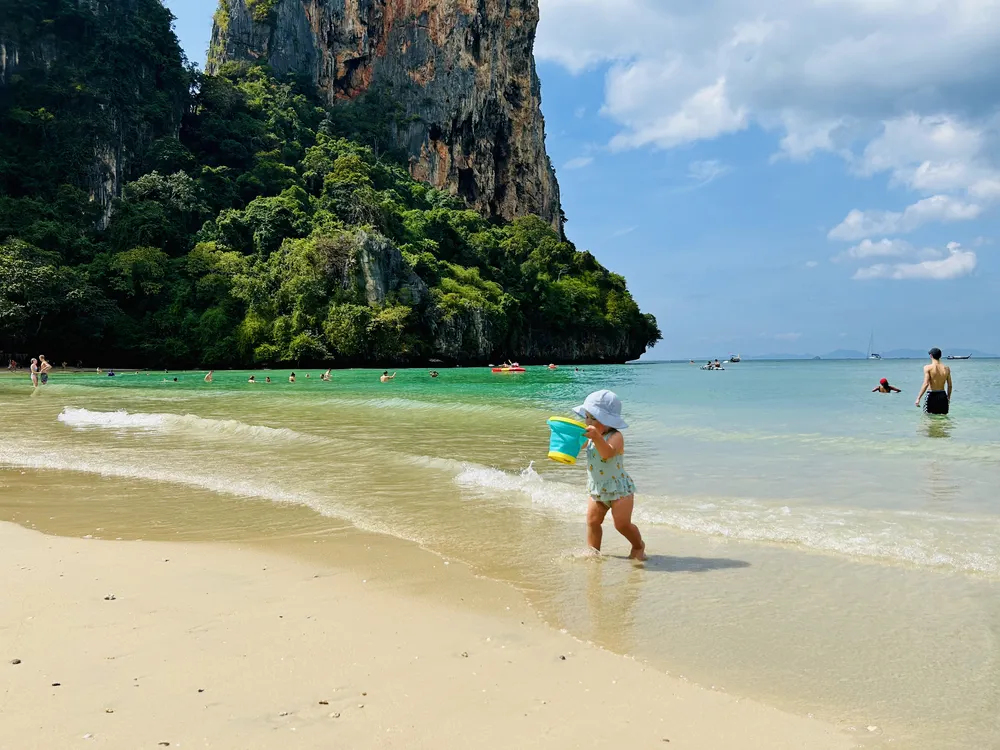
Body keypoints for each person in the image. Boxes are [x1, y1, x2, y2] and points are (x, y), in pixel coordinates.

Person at [573, 390, 646, 561]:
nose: (588, 422)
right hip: (597, 489)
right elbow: (577, 447)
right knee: (592, 521)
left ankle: (638, 546)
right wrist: (569, 438)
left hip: (619, 490)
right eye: (587, 417)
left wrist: (597, 437)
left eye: (594, 418)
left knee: (621, 524)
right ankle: (593, 552)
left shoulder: (615, 436)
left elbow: (607, 454)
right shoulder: (591, 437)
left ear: (607, 420)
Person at [916, 348, 953, 414]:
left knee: (928, 418)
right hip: (942, 395)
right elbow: (950, 385)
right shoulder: (946, 368)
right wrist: (948, 398)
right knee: (943, 418)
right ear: (940, 356)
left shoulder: (928, 368)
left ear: (931, 356)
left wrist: (918, 398)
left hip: (931, 395)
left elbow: (926, 383)